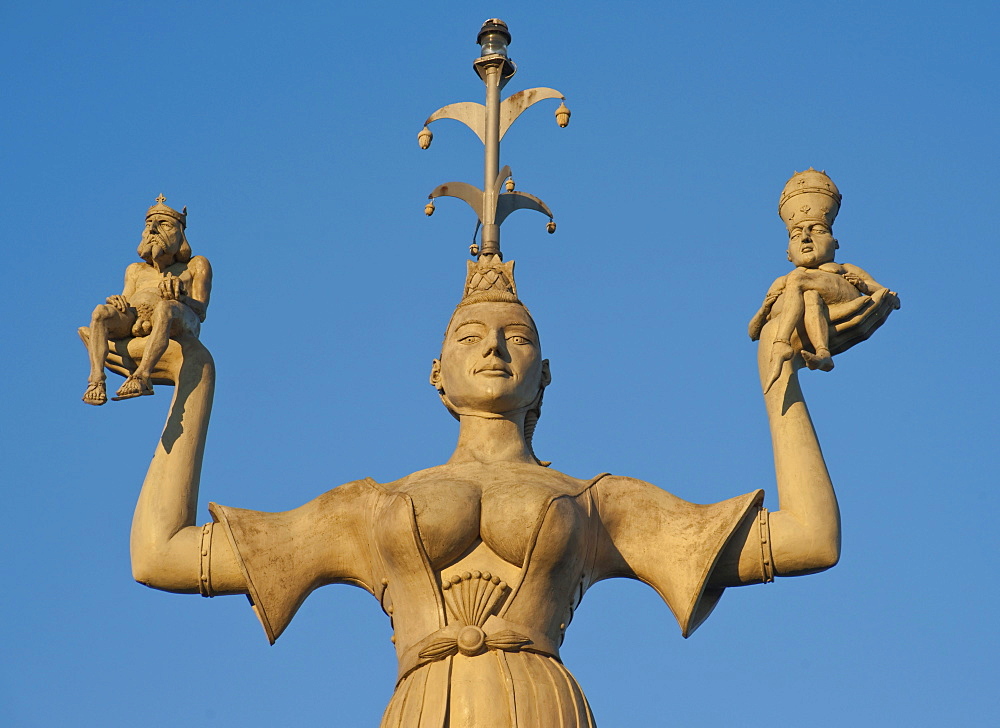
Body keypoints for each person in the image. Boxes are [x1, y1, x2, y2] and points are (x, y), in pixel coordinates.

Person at [119, 240, 885, 727]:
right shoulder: (368, 509)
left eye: (516, 337)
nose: (492, 346)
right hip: (422, 708)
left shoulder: (596, 502)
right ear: (436, 375)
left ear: (544, 375)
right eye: (470, 336)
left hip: (542, 706)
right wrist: (196, 381)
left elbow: (809, 538)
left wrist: (777, 377)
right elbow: (159, 555)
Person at [749, 169, 899, 393]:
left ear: (835, 243)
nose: (806, 237)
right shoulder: (782, 282)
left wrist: (861, 284)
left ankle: (781, 344)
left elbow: (884, 293)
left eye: (818, 230)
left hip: (844, 303)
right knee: (808, 294)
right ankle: (823, 353)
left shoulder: (843, 269)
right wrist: (765, 307)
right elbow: (753, 332)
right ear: (788, 254)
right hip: (814, 311)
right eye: (796, 234)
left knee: (800, 279)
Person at [81, 195, 211, 405]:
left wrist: (181, 296)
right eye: (149, 225)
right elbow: (126, 298)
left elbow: (201, 310)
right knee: (100, 312)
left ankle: (142, 377)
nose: (152, 230)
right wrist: (117, 302)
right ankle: (96, 380)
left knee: (165, 308)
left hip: (180, 319)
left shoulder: (196, 265)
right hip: (136, 320)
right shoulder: (135, 270)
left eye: (163, 224)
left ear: (179, 233)